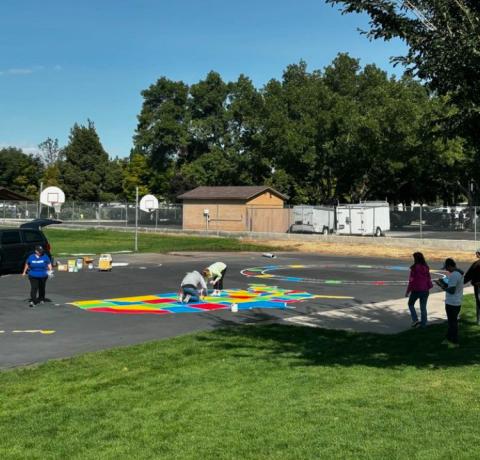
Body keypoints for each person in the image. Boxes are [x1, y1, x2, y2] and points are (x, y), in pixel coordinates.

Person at [434, 258, 464, 348]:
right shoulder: (459, 273)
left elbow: (451, 290)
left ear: (450, 266)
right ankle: (448, 339)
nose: (446, 270)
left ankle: (454, 342)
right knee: (451, 322)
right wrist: (444, 284)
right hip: (456, 301)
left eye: (447, 268)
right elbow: (452, 286)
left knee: (453, 323)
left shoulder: (454, 275)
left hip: (452, 302)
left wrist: (442, 286)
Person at [405, 252, 433, 328]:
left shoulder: (414, 268)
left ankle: (415, 319)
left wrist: (408, 291)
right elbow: (429, 278)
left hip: (416, 290)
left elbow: (411, 280)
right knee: (423, 307)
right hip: (425, 289)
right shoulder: (426, 267)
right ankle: (423, 324)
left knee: (410, 304)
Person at [464, 249, 480, 325]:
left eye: (476, 253)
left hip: (478, 287)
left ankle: (479, 320)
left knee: (479, 303)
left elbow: (468, 276)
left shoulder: (476, 264)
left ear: (478, 254)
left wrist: (461, 283)